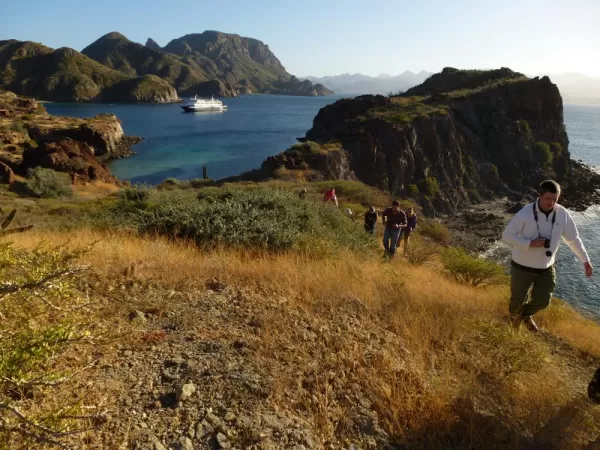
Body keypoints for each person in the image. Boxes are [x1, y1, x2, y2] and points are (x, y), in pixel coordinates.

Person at [502, 180, 593, 332]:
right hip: (521, 267)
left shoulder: (562, 213)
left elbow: (573, 239)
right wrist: (529, 243)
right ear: (540, 196)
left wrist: (586, 260)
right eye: (548, 198)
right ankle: (513, 329)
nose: (551, 202)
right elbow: (507, 236)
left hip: (546, 267)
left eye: (555, 199)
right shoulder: (525, 213)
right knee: (517, 300)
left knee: (543, 301)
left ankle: (523, 315)